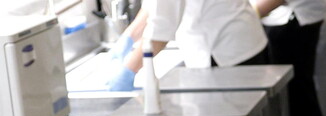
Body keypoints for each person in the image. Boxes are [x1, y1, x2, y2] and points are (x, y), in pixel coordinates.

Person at [106, 0, 268, 91]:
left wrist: (128, 69)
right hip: (237, 41)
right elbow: (153, 7)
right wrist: (128, 38)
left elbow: (160, 32)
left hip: (227, 53)